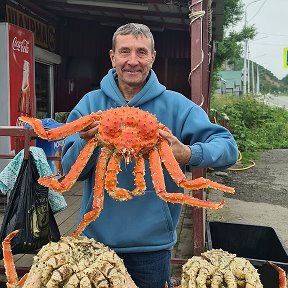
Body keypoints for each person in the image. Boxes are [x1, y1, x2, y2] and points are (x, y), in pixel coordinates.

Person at [61, 23, 238, 288]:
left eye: (141, 52)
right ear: (112, 57)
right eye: (125, 52)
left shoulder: (177, 106)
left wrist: (189, 153)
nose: (133, 61)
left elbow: (227, 146)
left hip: (152, 249)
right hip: (95, 243)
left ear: (152, 57)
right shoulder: (90, 104)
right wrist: (85, 141)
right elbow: (69, 170)